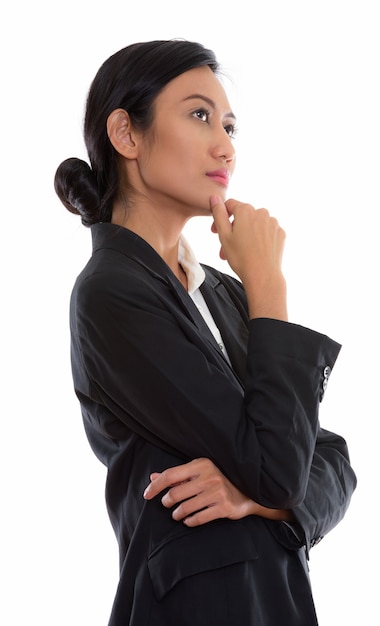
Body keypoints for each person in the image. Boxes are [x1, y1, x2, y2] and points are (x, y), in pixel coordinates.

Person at [54, 39, 357, 626]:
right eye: (199, 115)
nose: (225, 146)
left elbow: (332, 459)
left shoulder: (220, 291)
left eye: (230, 125)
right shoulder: (112, 291)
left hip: (272, 600)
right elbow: (280, 468)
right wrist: (270, 284)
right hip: (197, 606)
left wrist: (257, 502)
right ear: (127, 134)